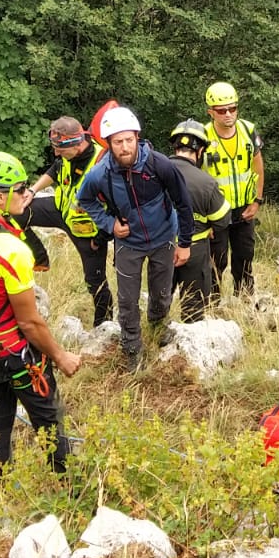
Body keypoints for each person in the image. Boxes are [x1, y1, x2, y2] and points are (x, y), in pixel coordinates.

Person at [0, 150, 82, 475]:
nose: (28, 194)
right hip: (15, 354)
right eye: (21, 189)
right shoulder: (11, 249)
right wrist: (60, 355)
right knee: (48, 418)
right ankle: (69, 483)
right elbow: (29, 321)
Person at [78, 106, 195, 370]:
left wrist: (185, 244)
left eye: (129, 140)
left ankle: (158, 327)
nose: (125, 147)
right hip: (128, 243)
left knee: (161, 292)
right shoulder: (100, 173)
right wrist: (109, 224)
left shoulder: (159, 164)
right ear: (108, 144)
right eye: (118, 142)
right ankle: (132, 349)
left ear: (137, 137)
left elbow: (184, 204)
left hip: (163, 237)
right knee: (127, 300)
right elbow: (84, 200)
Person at [22, 116, 114, 326]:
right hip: (60, 211)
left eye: (60, 150)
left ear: (78, 143)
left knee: (95, 282)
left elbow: (114, 207)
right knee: (16, 212)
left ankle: (104, 327)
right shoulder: (67, 154)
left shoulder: (101, 163)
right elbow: (55, 169)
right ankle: (40, 258)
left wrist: (101, 239)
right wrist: (32, 191)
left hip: (87, 230)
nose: (56, 153)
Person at [203, 82, 265, 297]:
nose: (228, 114)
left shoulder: (247, 129)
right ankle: (213, 302)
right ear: (211, 112)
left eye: (233, 108)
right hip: (215, 211)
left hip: (244, 209)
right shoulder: (202, 136)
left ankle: (246, 299)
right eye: (221, 110)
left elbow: (258, 165)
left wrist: (257, 200)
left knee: (245, 256)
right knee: (216, 260)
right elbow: (192, 179)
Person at [166, 119, 232, 320]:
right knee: (193, 306)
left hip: (162, 247)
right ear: (200, 150)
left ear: (175, 146)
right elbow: (222, 218)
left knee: (160, 300)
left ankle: (156, 338)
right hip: (195, 248)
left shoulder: (153, 173)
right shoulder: (206, 182)